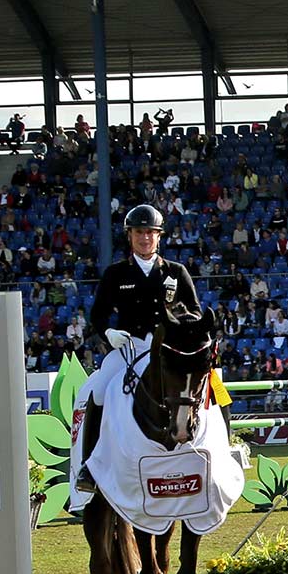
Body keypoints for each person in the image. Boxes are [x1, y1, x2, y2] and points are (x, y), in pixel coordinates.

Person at [75, 204, 200, 491]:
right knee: (100, 390)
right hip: (129, 347)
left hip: (169, 350)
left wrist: (180, 325)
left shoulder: (176, 272)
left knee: (215, 388)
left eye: (151, 233)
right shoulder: (116, 273)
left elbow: (194, 312)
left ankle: (225, 450)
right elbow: (98, 314)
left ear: (159, 237)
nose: (145, 238)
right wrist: (109, 332)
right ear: (130, 236)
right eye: (139, 232)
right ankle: (90, 465)